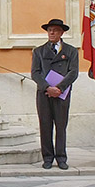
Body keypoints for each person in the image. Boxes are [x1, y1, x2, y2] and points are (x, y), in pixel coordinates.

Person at [31, 18, 78, 170]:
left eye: (55, 30)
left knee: (61, 125)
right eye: (49, 30)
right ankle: (47, 157)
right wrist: (47, 87)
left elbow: (73, 72)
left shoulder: (71, 51)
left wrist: (59, 88)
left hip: (61, 94)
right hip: (44, 94)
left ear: (62, 32)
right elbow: (35, 73)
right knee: (45, 125)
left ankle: (61, 157)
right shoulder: (39, 51)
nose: (52, 33)